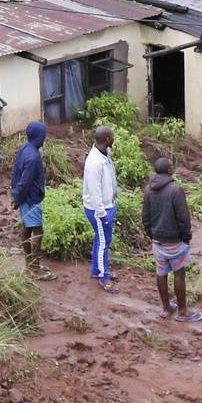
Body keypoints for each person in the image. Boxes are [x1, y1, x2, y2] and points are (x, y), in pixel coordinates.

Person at [143, 156, 202, 322]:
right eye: (172, 166)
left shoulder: (149, 189)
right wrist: (186, 237)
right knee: (179, 273)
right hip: (175, 241)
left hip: (157, 241)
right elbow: (184, 218)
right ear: (169, 170)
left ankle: (166, 308)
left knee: (161, 273)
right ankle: (183, 312)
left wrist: (152, 234)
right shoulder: (175, 190)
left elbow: (145, 216)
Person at [11, 121, 51, 278]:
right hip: (30, 199)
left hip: (24, 197)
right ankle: (34, 268)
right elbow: (25, 181)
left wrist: (15, 194)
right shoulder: (33, 157)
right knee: (37, 231)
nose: (45, 139)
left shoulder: (24, 149)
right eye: (44, 136)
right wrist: (17, 197)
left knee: (27, 228)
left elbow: (16, 174)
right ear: (39, 137)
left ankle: (30, 263)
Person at [82, 124, 119, 290]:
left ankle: (98, 270)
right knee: (103, 242)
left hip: (107, 206)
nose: (114, 139)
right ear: (107, 139)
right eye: (112, 136)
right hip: (99, 209)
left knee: (102, 239)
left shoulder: (104, 154)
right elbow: (95, 191)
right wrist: (101, 213)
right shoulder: (94, 163)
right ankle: (104, 278)